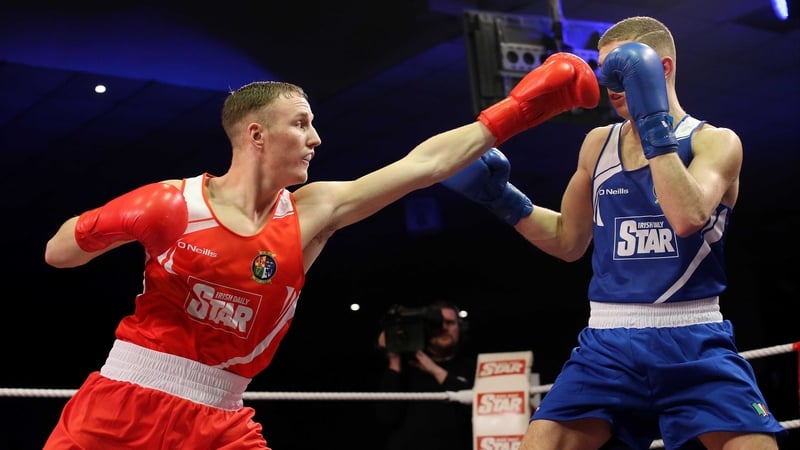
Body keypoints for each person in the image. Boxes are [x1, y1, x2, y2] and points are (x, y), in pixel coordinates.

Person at [40, 50, 599, 449]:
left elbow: (421, 167)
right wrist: (102, 226)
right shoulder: (173, 205)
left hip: (221, 415)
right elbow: (59, 254)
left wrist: (525, 107)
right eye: (302, 124)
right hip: (125, 400)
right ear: (257, 135)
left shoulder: (310, 212)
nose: (316, 138)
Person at [441, 16, 787, 450]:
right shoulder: (597, 145)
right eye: (606, 73)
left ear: (660, 69)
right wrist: (503, 200)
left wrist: (652, 124)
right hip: (609, 341)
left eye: (623, 72)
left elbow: (687, 217)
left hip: (694, 337)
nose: (612, 85)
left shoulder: (715, 142)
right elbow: (569, 240)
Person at [375, 300, 476, 450]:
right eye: (436, 324)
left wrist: (434, 369)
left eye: (450, 323)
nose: (444, 328)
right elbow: (386, 417)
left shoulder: (473, 367)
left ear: (460, 328)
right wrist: (394, 356)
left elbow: (478, 410)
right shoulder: (405, 369)